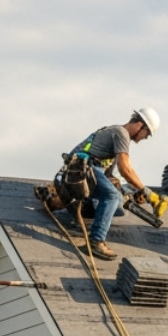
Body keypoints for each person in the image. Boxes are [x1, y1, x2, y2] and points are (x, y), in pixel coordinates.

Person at [67, 107, 160, 261]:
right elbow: (125, 169)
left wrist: (128, 194)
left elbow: (109, 176)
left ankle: (83, 208)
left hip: (85, 171)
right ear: (140, 125)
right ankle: (96, 241)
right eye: (147, 134)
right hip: (80, 169)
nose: (145, 138)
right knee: (111, 197)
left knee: (118, 205)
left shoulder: (116, 135)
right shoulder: (121, 133)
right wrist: (144, 190)